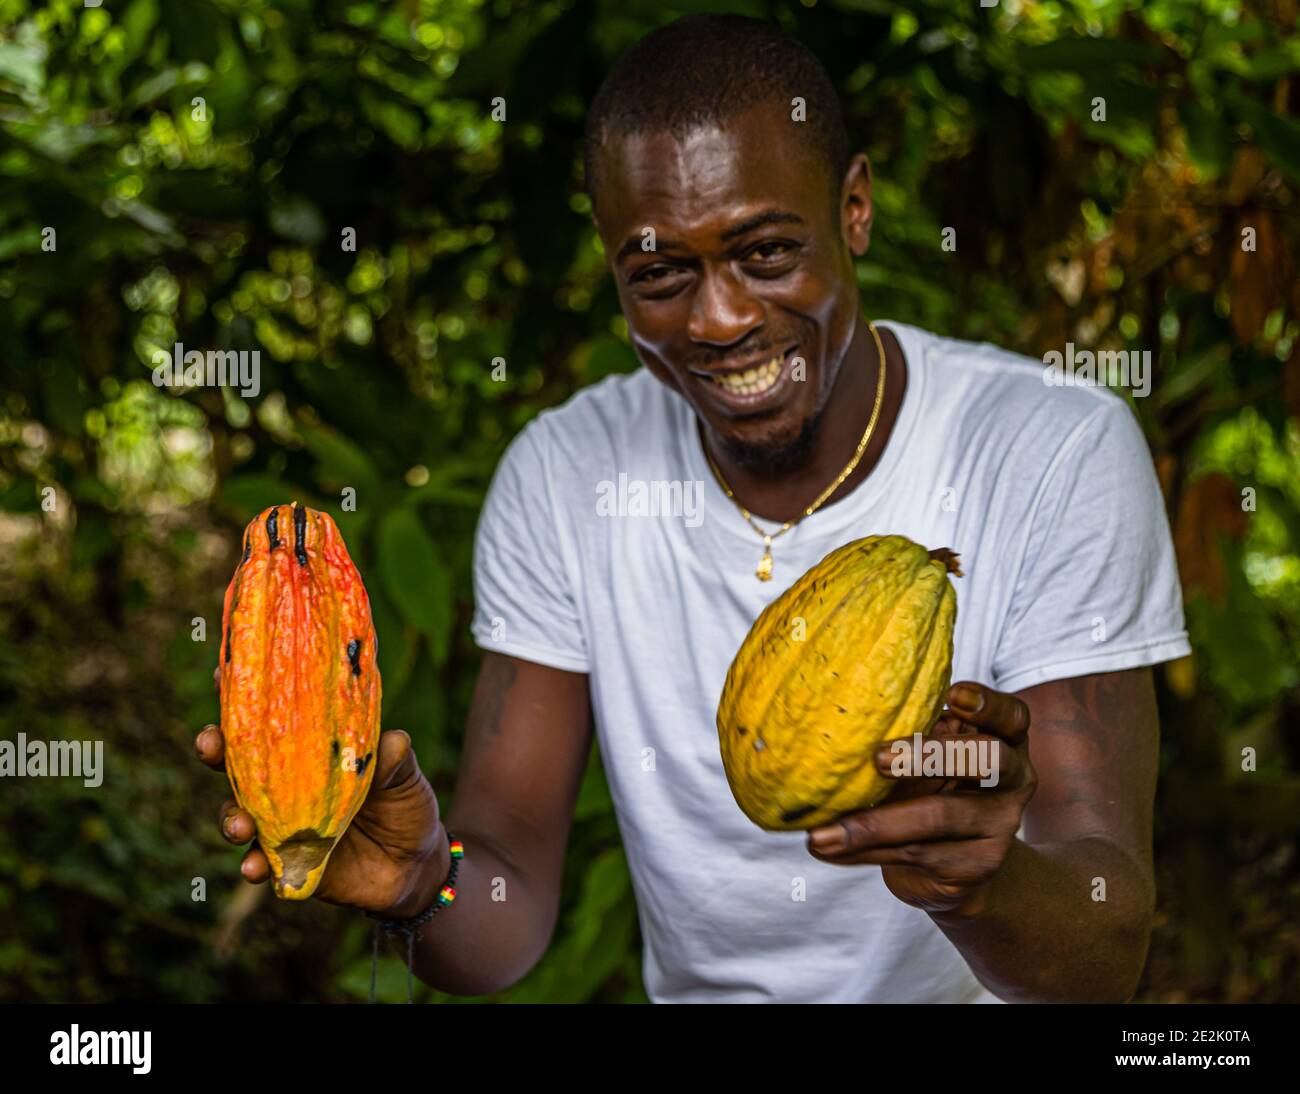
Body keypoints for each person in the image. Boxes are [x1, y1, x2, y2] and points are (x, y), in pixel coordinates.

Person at [196, 14, 1190, 1003]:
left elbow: (1101, 950)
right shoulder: (562, 474)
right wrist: (422, 883)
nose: (719, 319)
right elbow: (504, 910)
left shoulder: (1052, 449)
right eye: (661, 271)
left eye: (763, 252)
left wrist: (985, 881)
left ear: (853, 208)